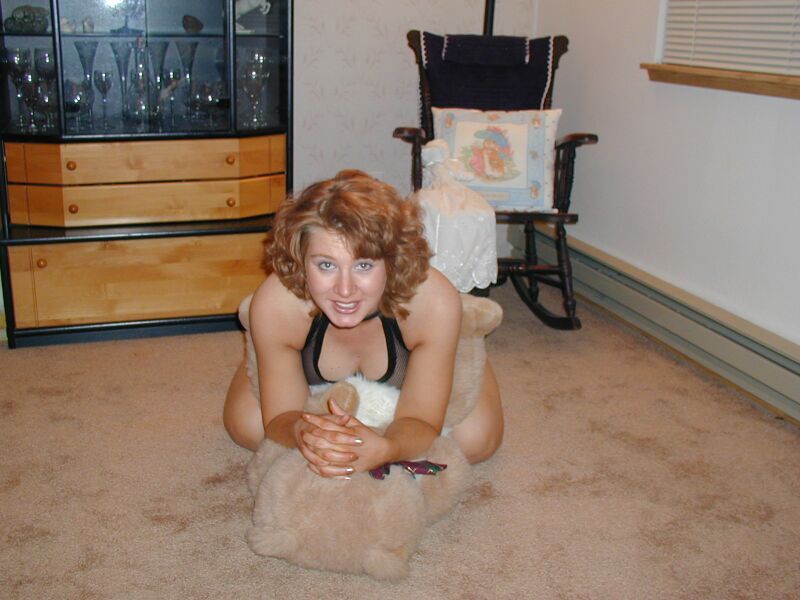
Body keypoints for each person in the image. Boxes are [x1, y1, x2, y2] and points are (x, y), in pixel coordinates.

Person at [223, 170, 503, 478]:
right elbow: (281, 418)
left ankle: (462, 324)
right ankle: (262, 339)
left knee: (476, 440)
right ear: (300, 258)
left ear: (393, 260)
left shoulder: (433, 302)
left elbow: (422, 420)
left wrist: (389, 448)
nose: (345, 289)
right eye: (326, 265)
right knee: (247, 425)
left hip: (421, 320)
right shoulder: (277, 302)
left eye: (364, 265)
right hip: (288, 320)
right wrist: (303, 432)